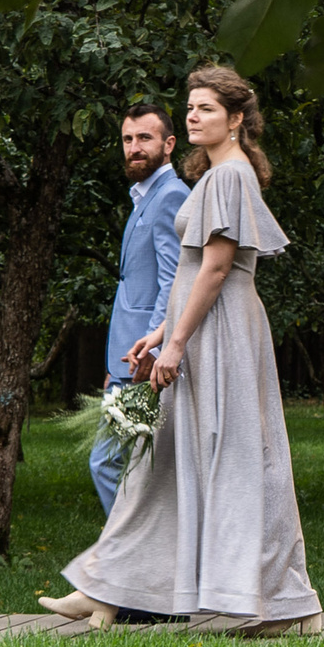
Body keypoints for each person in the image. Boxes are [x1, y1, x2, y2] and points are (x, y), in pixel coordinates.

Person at [42, 65, 324, 636]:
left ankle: (286, 606)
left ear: (237, 119)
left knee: (238, 460)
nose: (194, 116)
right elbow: (193, 272)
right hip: (204, 329)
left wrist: (175, 343)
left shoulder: (228, 178)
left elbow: (217, 270)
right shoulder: (220, 176)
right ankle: (107, 589)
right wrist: (161, 331)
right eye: (190, 107)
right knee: (164, 464)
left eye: (207, 109)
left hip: (220, 335)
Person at [95, 101, 188, 514]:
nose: (134, 147)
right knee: (132, 464)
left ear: (168, 145)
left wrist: (151, 350)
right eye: (128, 139)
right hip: (128, 357)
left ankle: (128, 561)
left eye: (144, 138)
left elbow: (173, 282)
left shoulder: (170, 196)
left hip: (145, 357)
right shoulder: (142, 197)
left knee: (108, 463)